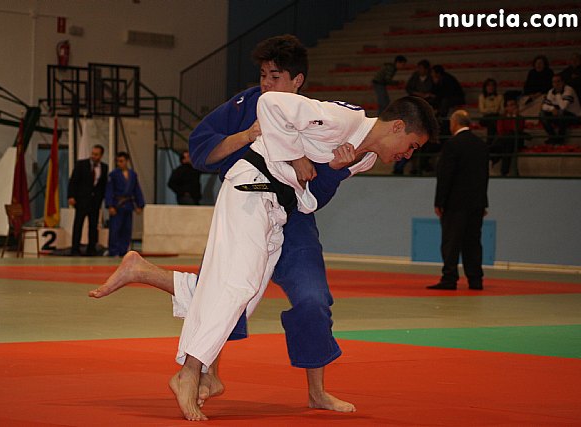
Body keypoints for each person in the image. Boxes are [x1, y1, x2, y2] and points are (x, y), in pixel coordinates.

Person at [91, 34, 360, 415]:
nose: (266, 84)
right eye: (263, 75)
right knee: (227, 291)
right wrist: (246, 136)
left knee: (312, 300)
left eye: (276, 77)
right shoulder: (246, 104)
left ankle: (316, 391)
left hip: (295, 220)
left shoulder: (318, 117)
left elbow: (319, 190)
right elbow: (201, 150)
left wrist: (331, 167)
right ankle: (202, 372)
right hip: (246, 207)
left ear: (297, 80)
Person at [173, 93, 437, 421]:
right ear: (397, 127)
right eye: (412, 145)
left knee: (247, 296)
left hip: (281, 207)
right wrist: (296, 156)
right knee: (238, 283)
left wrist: (335, 170)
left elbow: (308, 199)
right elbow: (269, 104)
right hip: (253, 186)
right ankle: (190, 371)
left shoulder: (365, 159)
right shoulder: (342, 120)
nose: (408, 155)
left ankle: (198, 370)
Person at [428, 110, 489, 291]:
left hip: (455, 203)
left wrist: (439, 201)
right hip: (476, 203)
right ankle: (475, 280)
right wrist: (483, 202)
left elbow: (445, 175)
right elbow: (484, 176)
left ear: (454, 123)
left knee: (451, 242)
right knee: (473, 242)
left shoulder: (452, 145)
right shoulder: (481, 145)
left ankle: (449, 278)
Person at [67, 144, 108, 256]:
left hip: (95, 202)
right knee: (78, 225)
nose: (93, 156)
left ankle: (91, 249)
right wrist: (71, 196)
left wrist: (101, 198)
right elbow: (73, 181)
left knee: (93, 226)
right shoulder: (81, 164)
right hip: (81, 200)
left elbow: (103, 185)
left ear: (101, 155)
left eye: (96, 154)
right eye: (93, 153)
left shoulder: (104, 167)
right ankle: (75, 249)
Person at [394, 59, 433, 174]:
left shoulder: (430, 79)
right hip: (413, 129)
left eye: (421, 68)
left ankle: (416, 168)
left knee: (416, 149)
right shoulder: (415, 77)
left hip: (421, 129)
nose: (419, 70)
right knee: (407, 148)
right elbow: (409, 88)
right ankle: (398, 168)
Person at [105, 151, 145, 256]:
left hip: (128, 205)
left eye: (121, 161)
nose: (119, 163)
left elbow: (137, 190)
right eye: (118, 161)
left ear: (127, 161)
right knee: (115, 229)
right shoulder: (113, 175)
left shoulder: (133, 175)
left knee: (126, 230)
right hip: (117, 205)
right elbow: (109, 191)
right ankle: (113, 251)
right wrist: (110, 205)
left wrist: (140, 205)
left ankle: (123, 251)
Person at [489, 98, 529, 176]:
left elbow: (516, 130)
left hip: (516, 141)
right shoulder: (502, 118)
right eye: (510, 105)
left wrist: (514, 117)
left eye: (514, 105)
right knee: (507, 146)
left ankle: (493, 153)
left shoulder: (520, 118)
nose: (513, 107)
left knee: (509, 140)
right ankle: (504, 171)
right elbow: (500, 131)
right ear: (506, 108)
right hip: (505, 141)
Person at [540, 74, 581, 145]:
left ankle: (560, 139)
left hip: (575, 117)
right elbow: (544, 106)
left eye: (558, 81)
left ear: (563, 82)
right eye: (554, 82)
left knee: (562, 112)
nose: (556, 84)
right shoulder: (551, 91)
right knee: (542, 114)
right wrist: (552, 108)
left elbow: (563, 107)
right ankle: (553, 137)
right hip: (560, 116)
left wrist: (558, 94)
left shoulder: (569, 90)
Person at [478, 78, 504, 143]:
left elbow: (502, 110)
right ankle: (493, 142)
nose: (491, 87)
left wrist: (490, 110)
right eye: (488, 85)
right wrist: (494, 109)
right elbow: (482, 110)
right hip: (486, 117)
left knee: (492, 122)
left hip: (496, 117)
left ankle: (490, 142)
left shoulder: (500, 97)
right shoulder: (482, 97)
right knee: (491, 121)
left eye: (492, 85)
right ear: (485, 87)